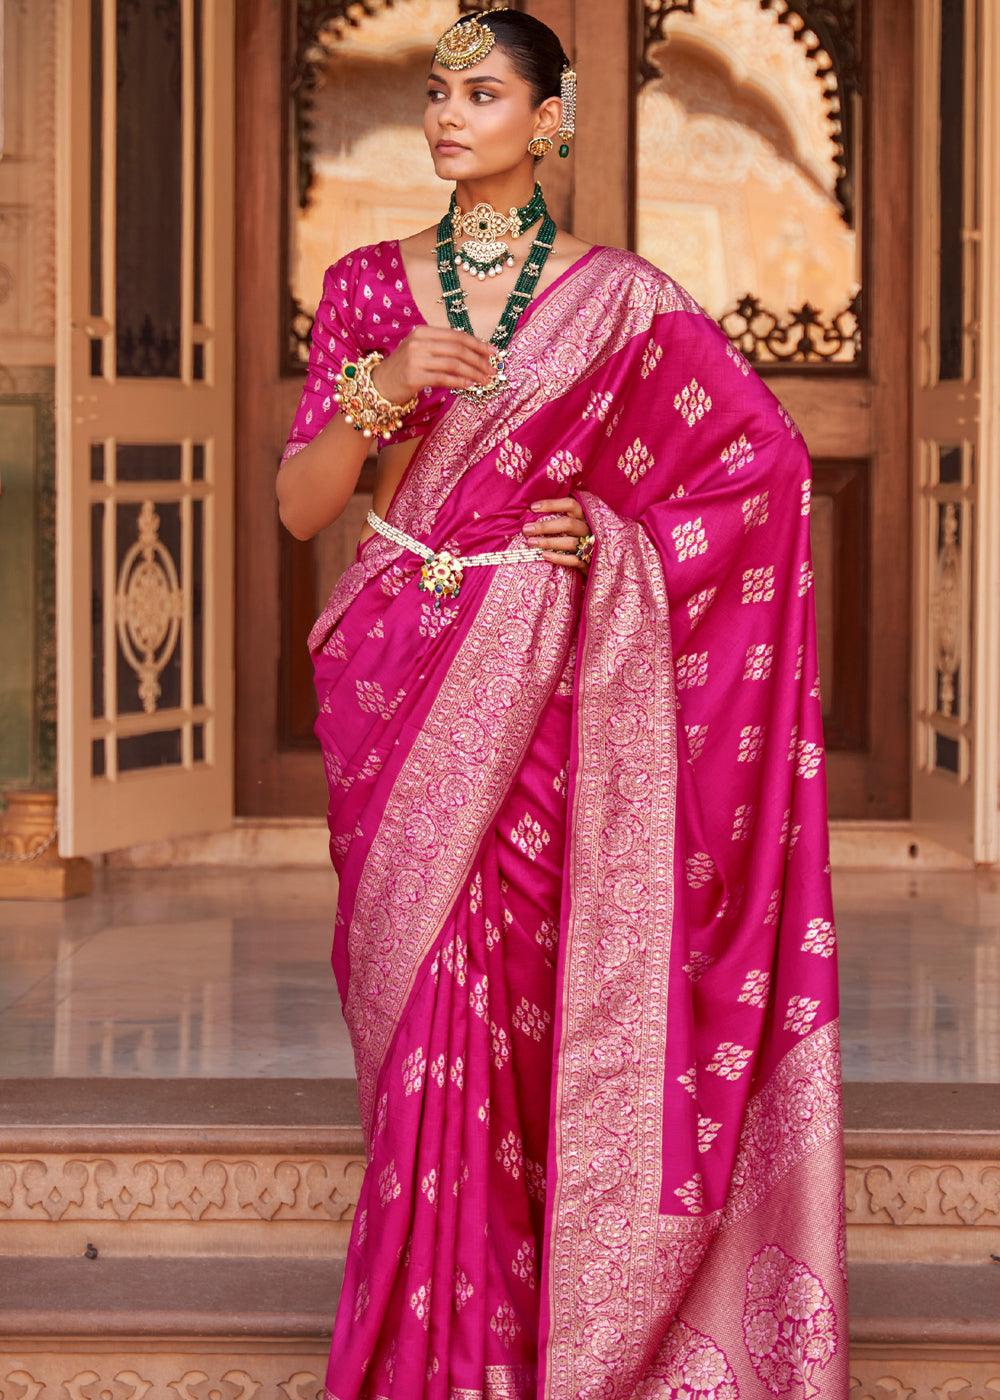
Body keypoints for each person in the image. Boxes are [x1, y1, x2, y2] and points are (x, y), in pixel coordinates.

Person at [276, 8, 848, 1398]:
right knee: (427, 1005)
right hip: (401, 674)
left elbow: (765, 473)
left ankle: (553, 1335)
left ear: (549, 121)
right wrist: (379, 389)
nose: (446, 114)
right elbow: (300, 508)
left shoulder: (625, 300)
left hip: (545, 695)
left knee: (532, 1016)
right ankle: (433, 1353)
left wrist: (613, 535)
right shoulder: (368, 287)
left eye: (481, 93)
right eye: (436, 90)